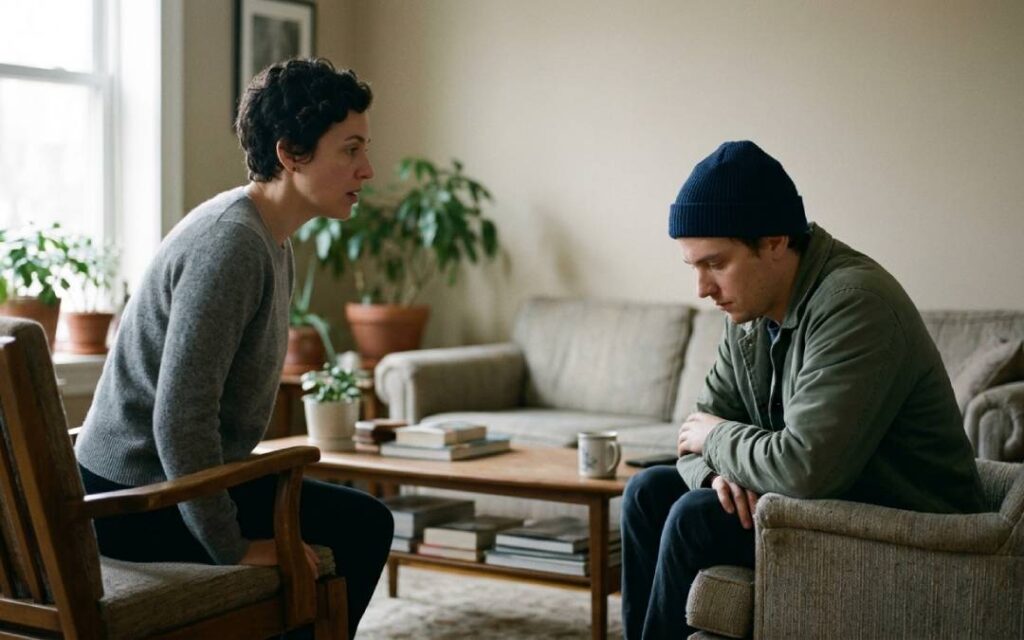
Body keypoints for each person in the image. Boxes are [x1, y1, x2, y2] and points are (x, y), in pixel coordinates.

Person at [75, 58, 393, 637]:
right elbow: (180, 419)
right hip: (135, 500)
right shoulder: (233, 244)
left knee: (360, 521)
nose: (367, 169)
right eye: (350, 149)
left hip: (179, 480)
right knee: (361, 527)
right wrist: (234, 546)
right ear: (291, 153)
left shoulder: (268, 237)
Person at [620, 140, 985, 639]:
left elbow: (803, 468)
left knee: (695, 519)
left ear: (774, 242)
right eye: (694, 267)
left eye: (715, 264)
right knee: (647, 492)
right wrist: (712, 474)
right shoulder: (747, 312)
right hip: (821, 506)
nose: (701, 289)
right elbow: (692, 432)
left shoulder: (855, 304)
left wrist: (716, 441)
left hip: (899, 527)